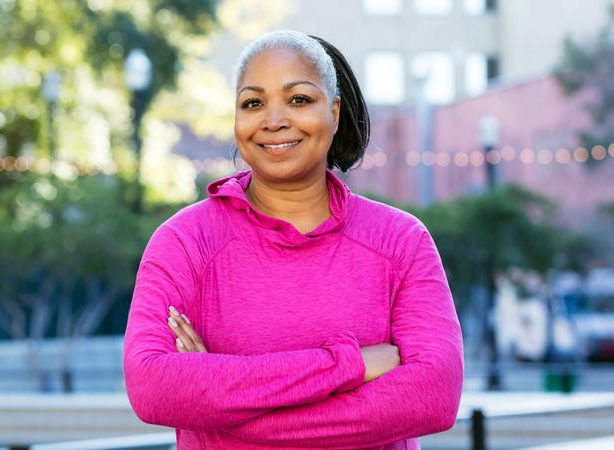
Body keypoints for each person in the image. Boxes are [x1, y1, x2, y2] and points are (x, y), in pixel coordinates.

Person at [123, 29, 463, 450]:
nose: (273, 120)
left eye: (299, 99)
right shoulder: (184, 243)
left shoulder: (400, 241)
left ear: (334, 113)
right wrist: (348, 365)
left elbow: (434, 397)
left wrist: (224, 406)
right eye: (253, 102)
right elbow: (152, 386)